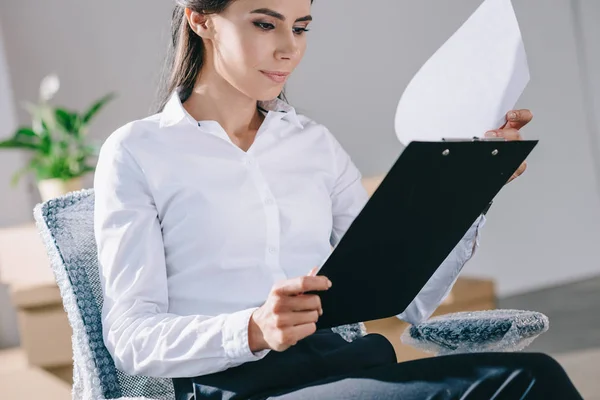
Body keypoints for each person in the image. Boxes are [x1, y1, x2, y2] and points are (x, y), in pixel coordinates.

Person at [93, 0, 583, 399]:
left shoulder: (312, 143)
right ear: (200, 18)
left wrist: (474, 185)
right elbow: (131, 339)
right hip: (239, 388)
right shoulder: (137, 152)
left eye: (301, 27)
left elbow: (410, 297)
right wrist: (253, 329)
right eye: (266, 24)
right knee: (526, 381)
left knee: (526, 377)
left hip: (342, 368)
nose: (288, 48)